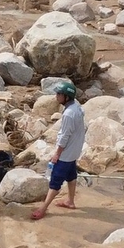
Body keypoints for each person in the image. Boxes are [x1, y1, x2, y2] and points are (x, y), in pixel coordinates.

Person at [32, 83, 85, 221]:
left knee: (56, 181)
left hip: (66, 154)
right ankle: (70, 201)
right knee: (71, 176)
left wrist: (57, 154)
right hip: (75, 150)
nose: (56, 97)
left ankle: (43, 208)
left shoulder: (68, 114)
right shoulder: (77, 108)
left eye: (58, 94)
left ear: (66, 97)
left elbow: (64, 136)